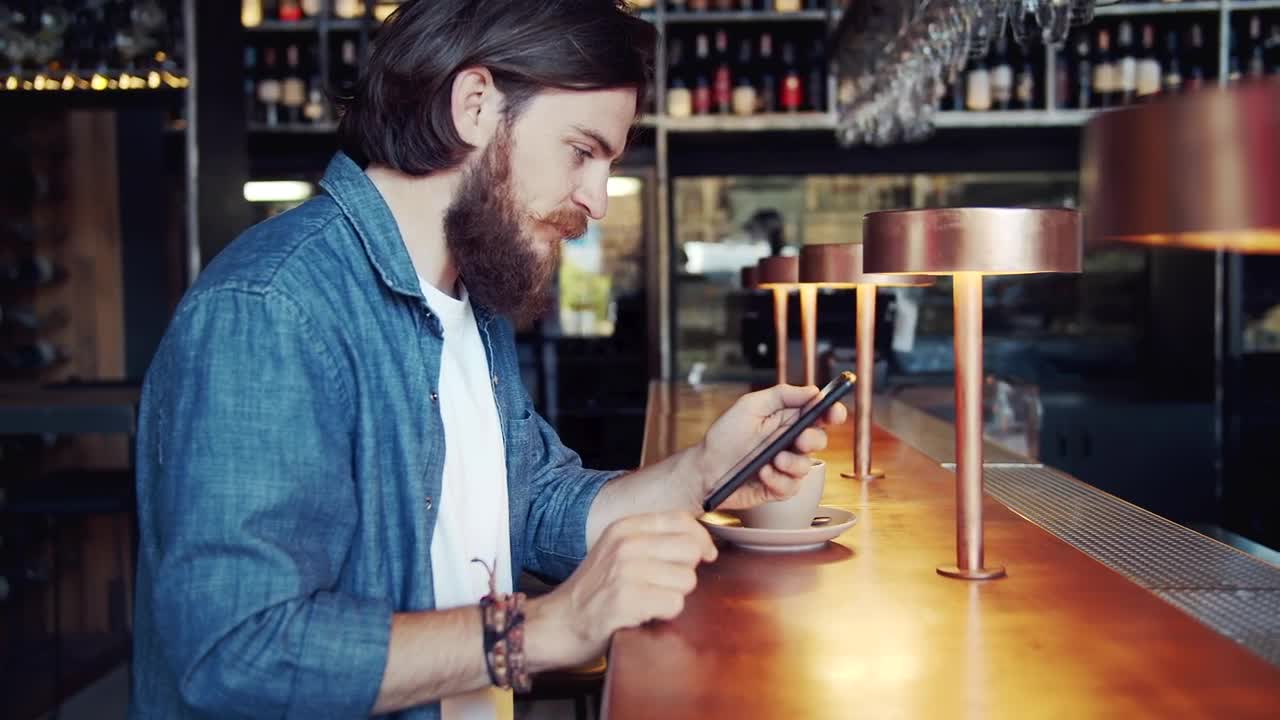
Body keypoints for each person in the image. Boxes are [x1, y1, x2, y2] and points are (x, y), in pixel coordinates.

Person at [128, 2, 845, 718]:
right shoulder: (273, 310)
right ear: (475, 105)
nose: (597, 201)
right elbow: (238, 651)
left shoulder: (468, 299)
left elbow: (539, 508)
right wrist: (548, 627)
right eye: (581, 150)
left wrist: (705, 472)